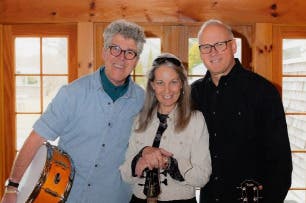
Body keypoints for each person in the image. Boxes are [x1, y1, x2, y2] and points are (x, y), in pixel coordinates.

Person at [1, 19, 146, 203]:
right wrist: (12, 187)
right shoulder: (72, 94)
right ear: (104, 51)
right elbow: (36, 139)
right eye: (115, 49)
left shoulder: (143, 101)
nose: (121, 58)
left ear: (136, 60)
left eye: (130, 53)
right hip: (66, 197)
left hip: (114, 198)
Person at [191, 19, 292, 203]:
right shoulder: (193, 94)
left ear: (234, 46)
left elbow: (281, 162)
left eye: (220, 44)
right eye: (206, 46)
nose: (212, 52)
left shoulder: (263, 91)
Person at [120, 53, 212, 203]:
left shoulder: (196, 120)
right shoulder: (139, 119)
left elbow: (201, 177)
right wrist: (140, 158)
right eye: (160, 82)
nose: (167, 90)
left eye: (173, 82)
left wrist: (169, 163)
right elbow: (125, 175)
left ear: (182, 83)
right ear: (152, 85)